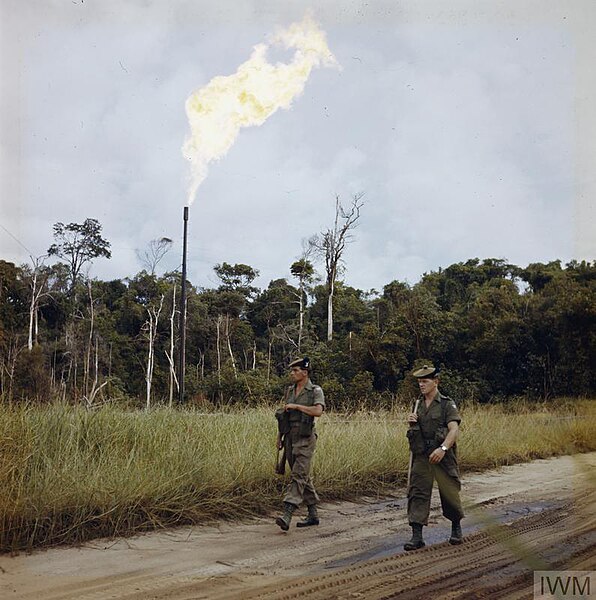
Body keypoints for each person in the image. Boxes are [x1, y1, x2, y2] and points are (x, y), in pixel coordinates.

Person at [404, 364, 464, 550]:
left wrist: (444, 448)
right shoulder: (418, 404)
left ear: (436, 382)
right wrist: (411, 422)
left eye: (425, 381)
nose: (421, 385)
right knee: (417, 492)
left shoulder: (447, 404)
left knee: (449, 492)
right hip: (422, 455)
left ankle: (456, 528)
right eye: (420, 382)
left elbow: (454, 430)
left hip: (442, 455)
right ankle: (417, 536)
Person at [275, 356, 325, 531]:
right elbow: (284, 416)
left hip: (305, 437)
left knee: (298, 475)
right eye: (292, 370)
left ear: (305, 372)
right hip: (290, 436)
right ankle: (312, 514)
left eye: (296, 371)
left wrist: (298, 407)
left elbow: (318, 411)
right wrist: (279, 437)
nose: (292, 373)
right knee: (302, 476)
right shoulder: (290, 391)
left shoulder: (315, 391)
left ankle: (287, 514)